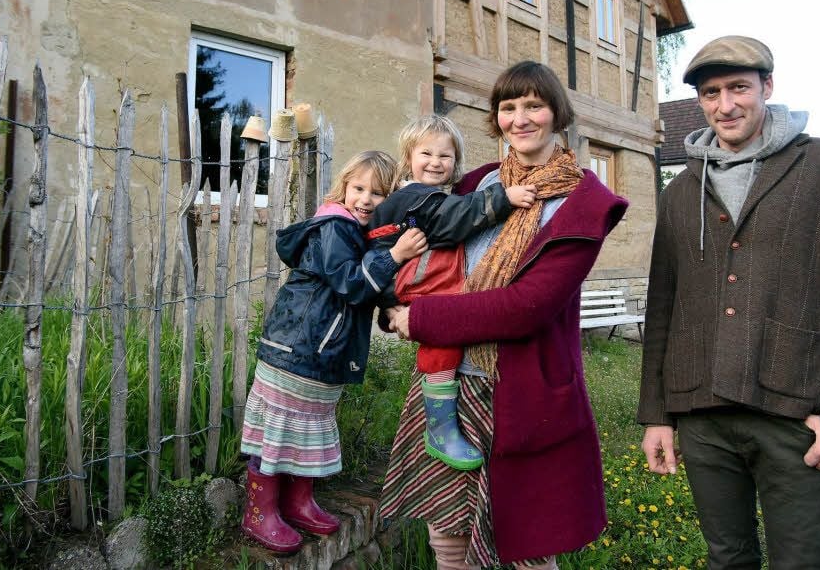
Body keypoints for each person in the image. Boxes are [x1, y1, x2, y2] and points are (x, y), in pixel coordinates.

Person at [638, 36, 820, 569]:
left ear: (768, 88)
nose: (725, 105)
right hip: (701, 414)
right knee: (726, 559)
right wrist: (657, 414)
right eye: (712, 93)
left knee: (800, 562)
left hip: (795, 413)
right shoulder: (681, 191)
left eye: (739, 88)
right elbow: (663, 305)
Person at [379, 61, 628, 570]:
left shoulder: (584, 204)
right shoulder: (475, 183)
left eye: (533, 105)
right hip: (453, 384)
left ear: (557, 112)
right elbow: (415, 247)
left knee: (526, 550)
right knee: (448, 538)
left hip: (526, 394)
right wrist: (384, 296)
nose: (520, 118)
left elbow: (526, 308)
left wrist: (417, 320)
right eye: (508, 107)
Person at [239, 150, 427, 553]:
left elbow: (372, 290)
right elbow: (350, 283)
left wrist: (394, 305)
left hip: (320, 355)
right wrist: (395, 256)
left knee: (305, 431)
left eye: (378, 194)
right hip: (296, 350)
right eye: (359, 188)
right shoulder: (334, 229)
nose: (366, 199)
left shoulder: (360, 235)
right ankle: (259, 512)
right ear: (344, 187)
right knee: (279, 432)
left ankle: (297, 502)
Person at [367, 114, 537, 471]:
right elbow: (452, 219)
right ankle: (440, 428)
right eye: (426, 153)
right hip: (416, 281)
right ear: (408, 159)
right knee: (441, 336)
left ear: (455, 163)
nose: (435, 162)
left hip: (404, 281)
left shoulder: (419, 198)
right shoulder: (418, 199)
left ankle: (442, 420)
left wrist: (389, 305)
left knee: (443, 334)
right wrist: (502, 198)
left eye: (445, 156)